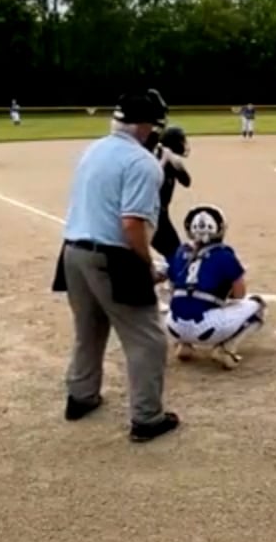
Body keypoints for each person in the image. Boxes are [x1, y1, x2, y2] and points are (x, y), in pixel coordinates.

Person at [50, 88, 179, 443]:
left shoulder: (93, 150)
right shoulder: (142, 163)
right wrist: (146, 265)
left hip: (73, 253)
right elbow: (132, 224)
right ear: (146, 126)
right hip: (113, 256)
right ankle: (147, 418)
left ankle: (81, 397)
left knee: (89, 330)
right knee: (147, 340)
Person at [165, 205, 267, 370]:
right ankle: (226, 348)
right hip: (207, 327)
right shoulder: (224, 254)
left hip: (173, 325)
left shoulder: (180, 251)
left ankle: (183, 344)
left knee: (180, 297)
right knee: (257, 305)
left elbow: (172, 285)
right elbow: (239, 294)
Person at [148, 125, 191, 262]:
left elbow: (186, 181)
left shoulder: (172, 162)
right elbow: (151, 180)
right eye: (181, 141)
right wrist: (164, 160)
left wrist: (176, 163)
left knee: (174, 252)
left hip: (161, 215)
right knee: (175, 254)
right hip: (151, 215)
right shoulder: (154, 160)